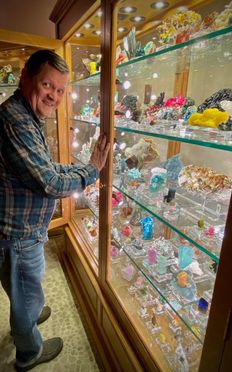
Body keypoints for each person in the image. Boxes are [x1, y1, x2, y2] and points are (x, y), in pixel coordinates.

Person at [0, 49, 110, 371]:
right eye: (48, 85)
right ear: (25, 77)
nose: (55, 96)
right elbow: (48, 182)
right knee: (24, 289)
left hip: (22, 231)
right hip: (17, 234)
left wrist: (77, 170)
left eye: (61, 90)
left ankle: (29, 313)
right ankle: (28, 351)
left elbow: (44, 168)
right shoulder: (15, 120)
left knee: (24, 288)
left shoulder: (26, 114)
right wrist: (90, 171)